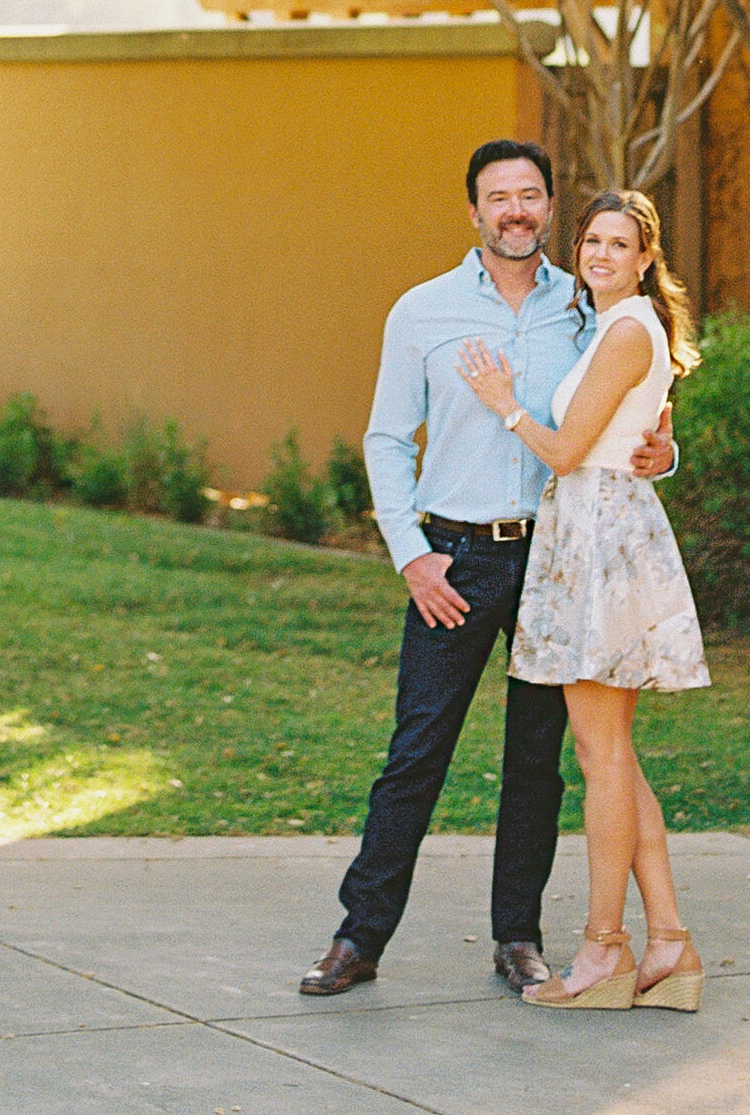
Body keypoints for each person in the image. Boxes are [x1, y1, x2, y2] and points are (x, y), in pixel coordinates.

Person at [298, 140, 676, 1004]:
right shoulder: (421, 311)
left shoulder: (589, 308)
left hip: (556, 555)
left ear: (550, 209)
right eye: (498, 197)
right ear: (473, 211)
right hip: (455, 557)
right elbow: (387, 439)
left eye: (531, 195)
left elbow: (628, 414)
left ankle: (519, 937)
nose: (515, 210)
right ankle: (359, 937)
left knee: (537, 759)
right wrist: (413, 555)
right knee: (416, 751)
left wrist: (665, 452)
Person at [460, 184, 710, 1012]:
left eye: (618, 243)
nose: (600, 254)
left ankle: (605, 951)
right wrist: (661, 447)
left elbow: (567, 451)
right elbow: (625, 436)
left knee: (601, 755)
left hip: (598, 541)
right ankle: (668, 942)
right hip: (594, 533)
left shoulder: (628, 327)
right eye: (591, 242)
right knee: (614, 754)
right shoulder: (618, 326)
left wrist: (503, 407)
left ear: (645, 258)